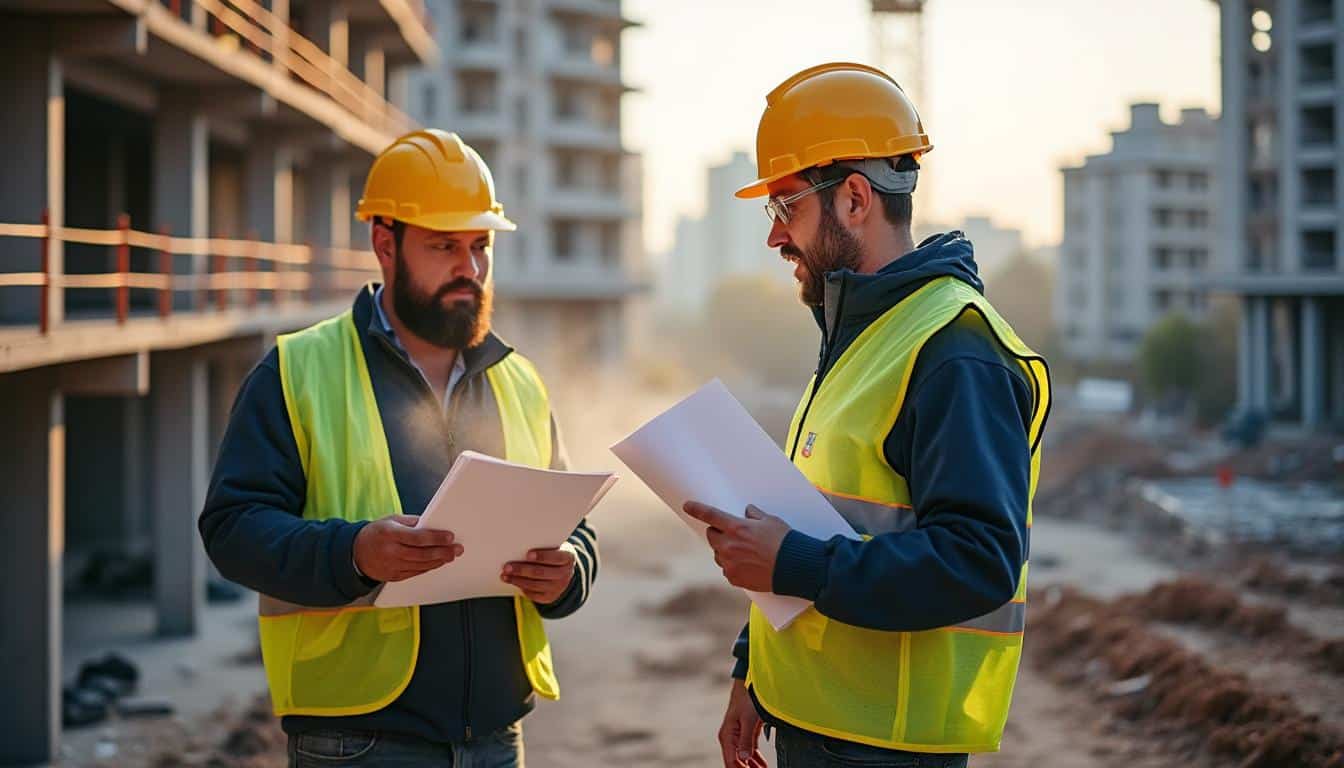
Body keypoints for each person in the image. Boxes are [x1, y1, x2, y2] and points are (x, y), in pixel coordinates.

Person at [683, 62, 1051, 768]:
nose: (775, 237)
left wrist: (793, 561)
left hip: (888, 745)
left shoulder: (954, 350)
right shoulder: (861, 339)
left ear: (854, 198)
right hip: (816, 723)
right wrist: (751, 669)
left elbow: (980, 560)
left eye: (785, 206)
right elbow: (817, 522)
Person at [199, 129, 598, 767]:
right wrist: (355, 552)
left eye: (480, 246)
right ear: (385, 246)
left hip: (497, 738)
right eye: (444, 246)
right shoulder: (297, 371)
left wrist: (569, 574)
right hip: (359, 740)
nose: (469, 268)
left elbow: (575, 527)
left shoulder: (519, 380)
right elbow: (232, 529)